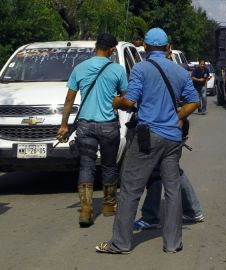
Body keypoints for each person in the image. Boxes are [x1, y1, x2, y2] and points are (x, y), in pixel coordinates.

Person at [95, 27, 199, 254]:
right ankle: (172, 243)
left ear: (146, 47)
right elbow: (194, 101)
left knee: (131, 188)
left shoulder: (141, 69)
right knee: (172, 190)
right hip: (172, 138)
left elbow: (130, 102)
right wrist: (177, 117)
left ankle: (120, 243)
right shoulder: (181, 71)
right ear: (167, 46)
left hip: (147, 136)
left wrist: (116, 102)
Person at [56, 33, 128, 228]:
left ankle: (86, 210)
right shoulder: (117, 70)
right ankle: (108, 205)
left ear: (96, 46)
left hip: (85, 126)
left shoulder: (80, 68)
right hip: (108, 126)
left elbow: (69, 100)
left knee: (86, 166)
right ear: (112, 50)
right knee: (109, 165)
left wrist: (64, 125)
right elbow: (125, 98)